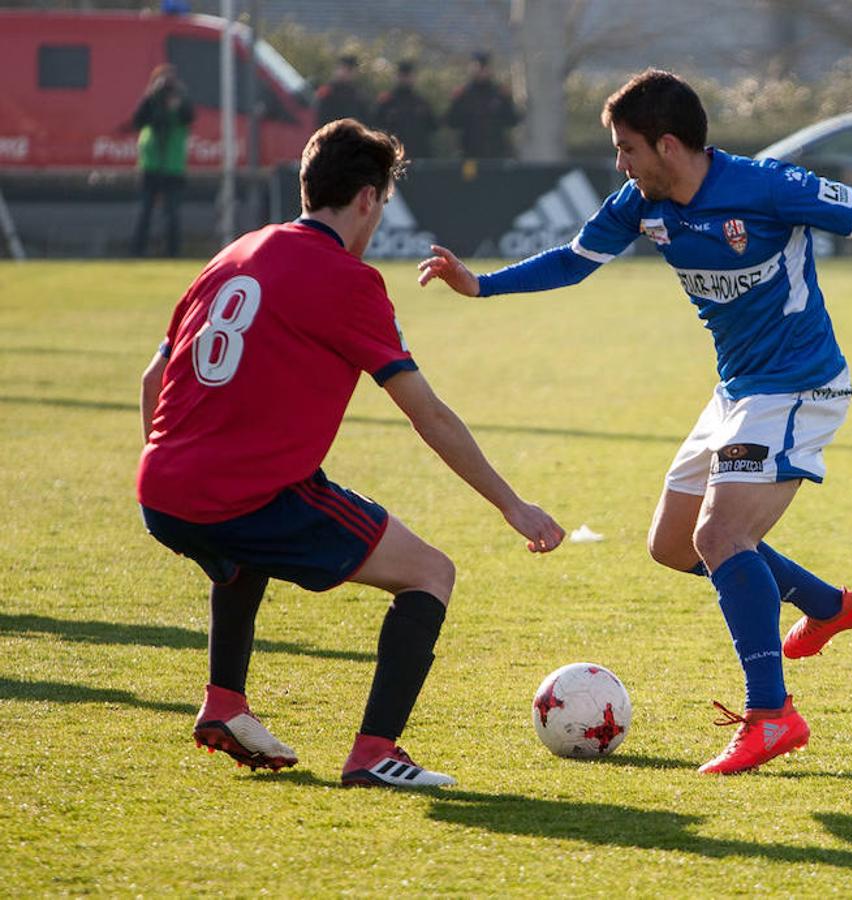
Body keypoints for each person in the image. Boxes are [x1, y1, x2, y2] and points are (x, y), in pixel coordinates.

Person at [418, 69, 852, 776]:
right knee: (673, 545)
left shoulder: (769, 188)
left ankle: (772, 715)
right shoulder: (641, 202)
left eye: (628, 148)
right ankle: (827, 606)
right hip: (737, 392)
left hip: (799, 386)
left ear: (669, 145)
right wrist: (480, 283)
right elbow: (575, 261)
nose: (620, 163)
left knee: (722, 534)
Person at [137, 119, 565, 789]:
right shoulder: (348, 280)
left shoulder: (234, 252)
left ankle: (226, 703)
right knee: (430, 574)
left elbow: (151, 381)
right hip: (240, 494)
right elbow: (428, 414)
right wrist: (512, 505)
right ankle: (374, 752)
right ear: (368, 199)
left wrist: (177, 475)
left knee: (245, 548)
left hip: (159, 489)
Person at [129, 64, 194, 258]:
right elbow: (138, 120)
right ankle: (137, 251)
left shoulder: (181, 100)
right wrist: (151, 96)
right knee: (145, 210)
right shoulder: (151, 101)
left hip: (172, 165)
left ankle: (172, 252)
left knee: (172, 213)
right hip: (152, 164)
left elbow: (189, 116)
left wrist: (179, 102)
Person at [445, 52, 520, 159]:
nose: (481, 71)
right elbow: (452, 122)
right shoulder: (463, 94)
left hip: (496, 153)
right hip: (470, 153)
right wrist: (455, 103)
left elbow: (512, 121)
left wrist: (507, 101)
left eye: (484, 67)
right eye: (477, 67)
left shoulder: (499, 93)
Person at [373, 60, 438, 159]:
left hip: (418, 155)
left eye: (408, 76)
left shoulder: (420, 103)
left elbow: (433, 126)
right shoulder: (387, 102)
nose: (405, 79)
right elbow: (375, 125)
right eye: (402, 76)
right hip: (394, 155)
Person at [316, 54, 369, 127]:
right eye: (343, 68)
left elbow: (365, 121)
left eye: (349, 70)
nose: (345, 72)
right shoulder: (327, 91)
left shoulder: (358, 96)